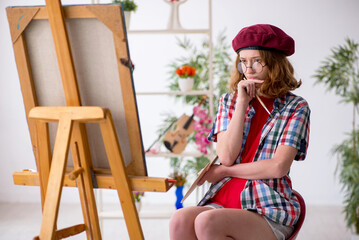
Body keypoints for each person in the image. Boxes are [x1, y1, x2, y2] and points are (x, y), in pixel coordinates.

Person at [169, 24, 310, 240]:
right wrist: (242, 103)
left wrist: (226, 172)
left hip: (267, 207)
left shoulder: (296, 107)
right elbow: (226, 157)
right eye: (243, 61)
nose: (249, 69)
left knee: (207, 221)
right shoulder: (229, 102)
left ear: (275, 64)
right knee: (179, 219)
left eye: (256, 61)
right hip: (226, 198)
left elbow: (277, 167)